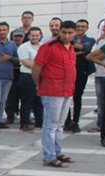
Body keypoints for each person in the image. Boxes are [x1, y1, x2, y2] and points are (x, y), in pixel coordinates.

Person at [33, 20, 77, 167]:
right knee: (50, 125)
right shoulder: (48, 46)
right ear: (60, 31)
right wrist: (39, 85)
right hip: (52, 90)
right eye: (64, 32)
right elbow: (37, 67)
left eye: (70, 33)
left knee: (59, 124)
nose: (66, 35)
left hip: (67, 90)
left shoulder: (71, 48)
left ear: (75, 33)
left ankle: (57, 152)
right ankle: (49, 156)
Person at [63, 19, 95, 134]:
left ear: (87, 28)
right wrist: (80, 51)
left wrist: (73, 48)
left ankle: (75, 121)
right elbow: (80, 50)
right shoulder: (71, 38)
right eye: (78, 26)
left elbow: (86, 48)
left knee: (77, 97)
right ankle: (66, 120)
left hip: (82, 71)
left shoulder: (90, 40)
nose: (80, 28)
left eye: (83, 26)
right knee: (66, 96)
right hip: (68, 71)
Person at [17, 27, 43, 132]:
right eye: (32, 35)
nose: (35, 37)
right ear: (28, 36)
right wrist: (42, 67)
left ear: (40, 36)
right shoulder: (23, 47)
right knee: (27, 102)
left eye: (37, 35)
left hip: (40, 77)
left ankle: (39, 123)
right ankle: (24, 124)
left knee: (39, 102)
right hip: (27, 77)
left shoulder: (43, 46)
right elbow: (25, 62)